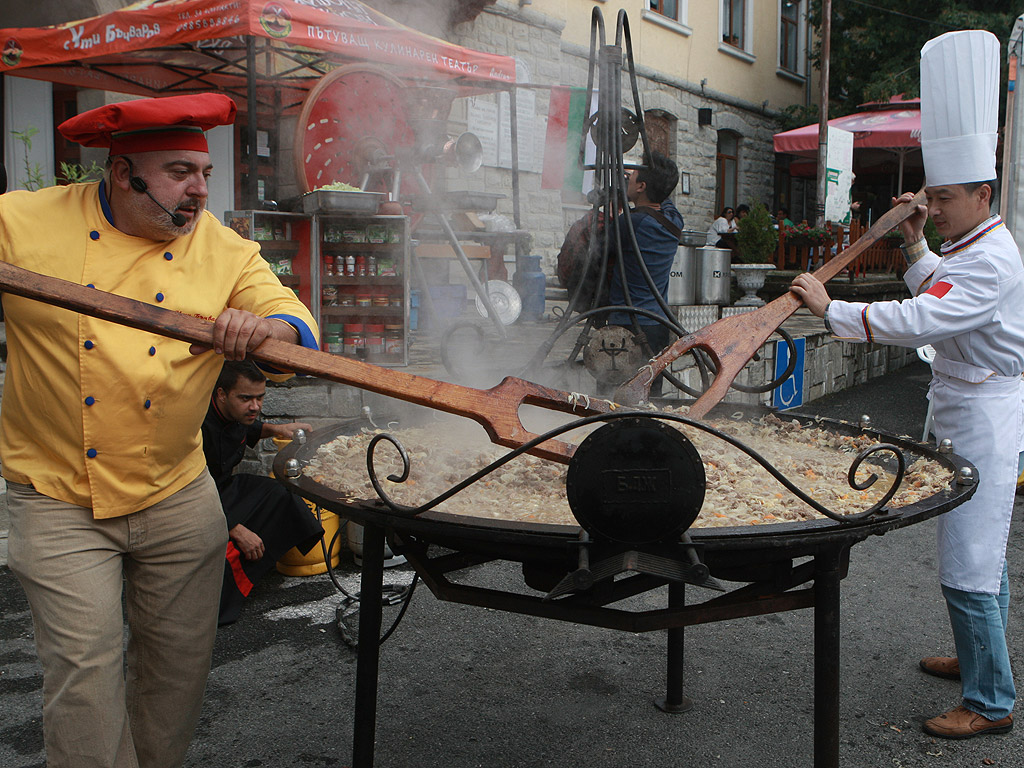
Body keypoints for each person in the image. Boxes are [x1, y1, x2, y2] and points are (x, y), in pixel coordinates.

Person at [1, 93, 319, 768]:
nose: (201, 189)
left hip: (178, 493)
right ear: (122, 173)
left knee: (176, 673)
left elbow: (297, 323)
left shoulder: (225, 251)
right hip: (58, 497)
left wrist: (270, 329)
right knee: (84, 678)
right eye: (180, 171)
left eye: (204, 172)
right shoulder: (20, 222)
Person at [791, 30, 1022, 740]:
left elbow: (924, 312)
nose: (937, 208)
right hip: (964, 399)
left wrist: (835, 311)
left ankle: (990, 702)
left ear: (984, 193)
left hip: (984, 409)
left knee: (971, 560)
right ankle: (980, 658)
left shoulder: (991, 260)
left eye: (946, 201)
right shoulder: (970, 246)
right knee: (975, 551)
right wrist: (918, 240)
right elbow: (937, 286)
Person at [204, 360, 325, 625]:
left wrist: (277, 429)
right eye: (246, 398)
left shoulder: (238, 414)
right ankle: (223, 602)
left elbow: (248, 426)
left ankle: (279, 563)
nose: (255, 407)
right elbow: (188, 488)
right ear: (221, 394)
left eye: (260, 398)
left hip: (224, 487)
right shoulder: (199, 425)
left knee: (280, 494)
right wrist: (234, 527)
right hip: (197, 500)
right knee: (226, 547)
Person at [607, 150, 683, 398]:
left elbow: (596, 252)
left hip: (627, 322)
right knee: (650, 394)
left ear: (641, 186)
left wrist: (611, 211)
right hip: (658, 323)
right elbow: (663, 197)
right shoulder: (674, 220)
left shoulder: (631, 223)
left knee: (616, 394)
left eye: (631, 177)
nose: (626, 180)